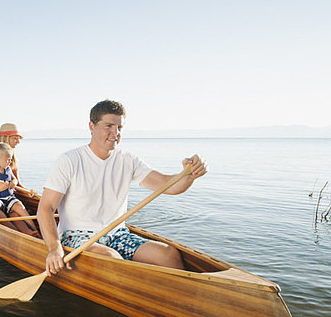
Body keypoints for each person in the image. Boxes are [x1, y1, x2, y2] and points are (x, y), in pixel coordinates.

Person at [37, 99, 208, 276]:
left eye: (119, 127)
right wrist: (54, 248)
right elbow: (45, 207)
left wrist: (189, 174)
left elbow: (169, 185)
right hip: (76, 236)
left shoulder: (128, 160)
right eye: (109, 126)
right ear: (91, 126)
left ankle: (180, 297)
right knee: (112, 258)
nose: (115, 133)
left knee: (168, 254)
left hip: (118, 235)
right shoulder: (69, 160)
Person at [0, 142, 38, 236]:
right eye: (7, 160)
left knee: (19, 206)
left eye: (11, 160)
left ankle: (34, 229)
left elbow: (14, 178)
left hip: (9, 198)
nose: (10, 162)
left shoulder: (8, 169)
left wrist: (14, 182)